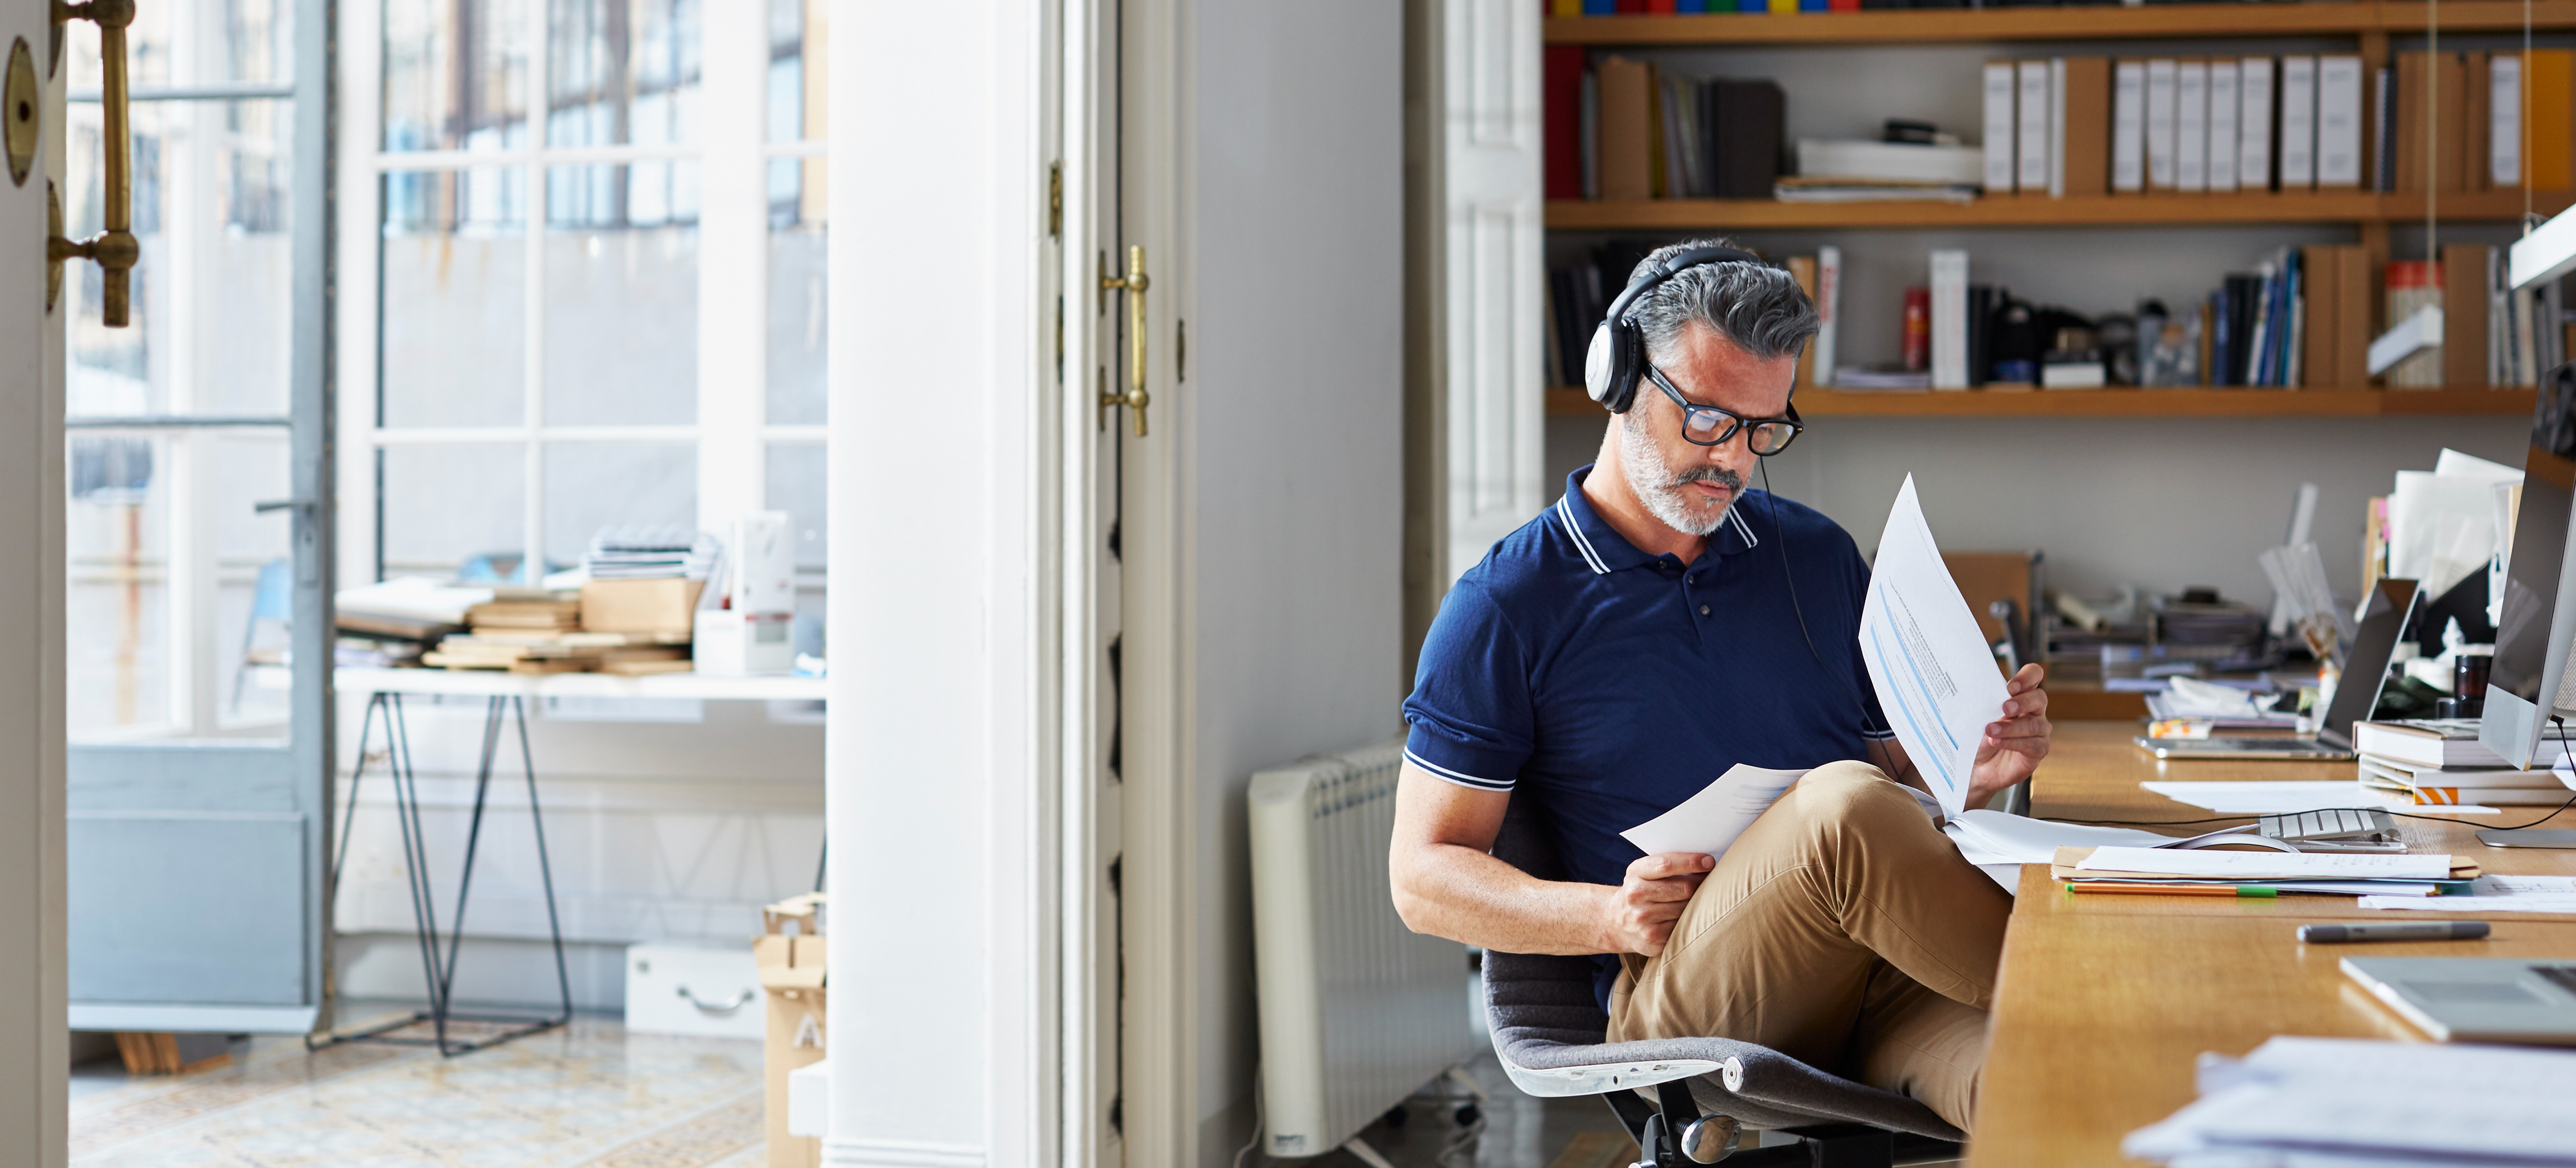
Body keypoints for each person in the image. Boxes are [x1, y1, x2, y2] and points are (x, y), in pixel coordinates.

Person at [1388, 239, 2051, 1132]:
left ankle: (2132, 1024)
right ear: (1620, 374)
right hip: (1693, 1002)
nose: (1733, 460)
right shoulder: (1506, 606)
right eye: (1707, 418)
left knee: (2059, 1082)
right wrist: (1609, 915)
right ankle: (2101, 979)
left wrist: (1969, 764)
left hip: (1877, 978)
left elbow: (1897, 773)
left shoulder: (1814, 557)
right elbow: (1421, 877)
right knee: (1843, 808)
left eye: (1762, 428)